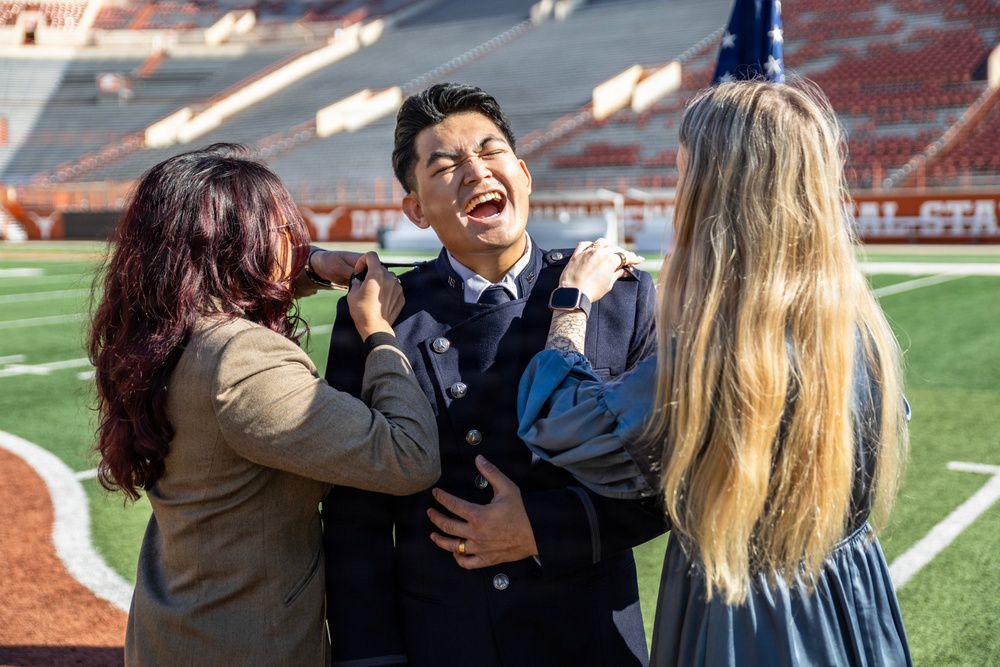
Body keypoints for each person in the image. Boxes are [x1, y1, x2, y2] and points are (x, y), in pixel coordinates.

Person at [517, 80, 912, 666]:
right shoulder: (859, 331)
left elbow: (560, 420)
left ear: (715, 197)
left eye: (684, 177)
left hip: (746, 620)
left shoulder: (716, 362)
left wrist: (572, 304)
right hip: (851, 600)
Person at [321, 83, 668, 667]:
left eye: (490, 152)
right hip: (446, 641)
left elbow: (666, 477)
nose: (475, 170)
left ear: (524, 174)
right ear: (414, 209)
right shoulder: (378, 313)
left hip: (589, 638)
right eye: (447, 164)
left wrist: (540, 528)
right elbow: (355, 522)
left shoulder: (618, 296)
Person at [88, 143, 440, 666]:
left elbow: (223, 297)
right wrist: (379, 332)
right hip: (245, 644)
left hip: (176, 628)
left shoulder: (162, 329)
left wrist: (312, 270)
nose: (296, 240)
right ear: (232, 243)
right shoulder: (243, 359)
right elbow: (408, 457)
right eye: (281, 231)